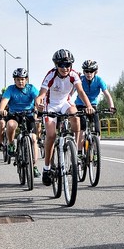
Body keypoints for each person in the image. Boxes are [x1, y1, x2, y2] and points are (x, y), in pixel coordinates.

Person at [35, 49, 95, 186]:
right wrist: (38, 102)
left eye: (68, 65)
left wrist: (89, 106)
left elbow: (80, 91)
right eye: (61, 65)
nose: (65, 68)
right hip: (50, 105)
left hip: (64, 103)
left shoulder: (73, 75)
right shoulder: (51, 75)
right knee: (51, 135)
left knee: (75, 116)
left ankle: (74, 146)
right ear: (56, 65)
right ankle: (46, 168)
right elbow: (42, 94)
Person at [0, 68, 41, 178]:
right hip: (14, 114)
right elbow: (4, 101)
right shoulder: (10, 89)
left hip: (29, 114)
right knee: (10, 125)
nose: (20, 81)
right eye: (17, 79)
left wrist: (38, 107)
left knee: (34, 139)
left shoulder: (31, 88)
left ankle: (34, 166)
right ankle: (11, 144)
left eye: (22, 79)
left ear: (26, 79)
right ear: (14, 80)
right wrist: (2, 109)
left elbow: (37, 99)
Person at [74, 59, 116, 153]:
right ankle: (80, 152)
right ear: (84, 72)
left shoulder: (99, 80)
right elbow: (71, 92)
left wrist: (111, 106)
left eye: (91, 71)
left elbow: (107, 95)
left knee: (97, 129)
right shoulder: (80, 80)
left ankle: (97, 150)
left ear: (95, 72)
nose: (89, 74)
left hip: (93, 105)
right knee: (83, 128)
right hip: (80, 104)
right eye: (86, 71)